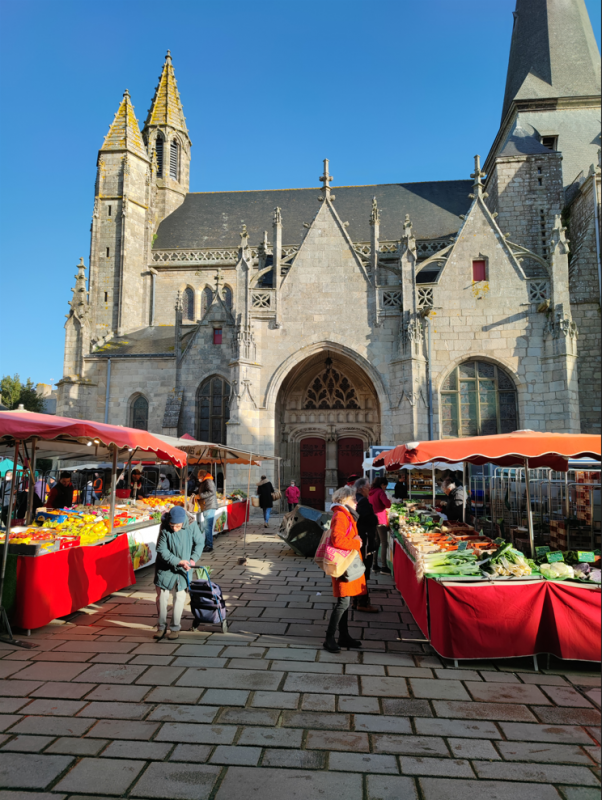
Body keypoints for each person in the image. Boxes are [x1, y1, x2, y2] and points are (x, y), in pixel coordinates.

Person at [323, 485, 366, 653]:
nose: (356, 502)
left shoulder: (345, 514)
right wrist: (357, 542)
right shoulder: (341, 515)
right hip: (343, 565)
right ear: (345, 500)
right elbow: (337, 540)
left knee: (345, 601)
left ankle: (344, 635)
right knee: (343, 602)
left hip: (346, 563)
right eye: (354, 499)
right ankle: (329, 638)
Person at [154, 505, 204, 640]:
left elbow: (199, 542)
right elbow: (161, 549)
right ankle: (161, 627)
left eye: (177, 526)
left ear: (183, 522)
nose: (174, 529)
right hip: (165, 566)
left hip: (184, 567)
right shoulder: (165, 526)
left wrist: (192, 560)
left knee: (180, 596)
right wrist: (177, 561)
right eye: (172, 526)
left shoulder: (192, 525)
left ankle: (175, 627)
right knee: (162, 597)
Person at [353, 477, 379, 613]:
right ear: (361, 488)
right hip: (364, 541)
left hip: (357, 540)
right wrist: (374, 518)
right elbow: (369, 520)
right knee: (363, 571)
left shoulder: (354, 500)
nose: (369, 490)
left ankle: (355, 599)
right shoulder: (363, 502)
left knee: (358, 570)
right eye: (368, 487)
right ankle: (362, 602)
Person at [369, 476, 392, 574]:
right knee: (384, 542)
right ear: (382, 485)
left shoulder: (371, 492)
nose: (385, 488)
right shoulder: (380, 492)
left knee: (376, 542)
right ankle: (384, 566)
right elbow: (387, 504)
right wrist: (389, 501)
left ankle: (374, 565)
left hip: (373, 519)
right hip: (381, 519)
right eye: (385, 486)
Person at [196, 472, 217, 552]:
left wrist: (200, 496)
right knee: (207, 526)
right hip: (207, 505)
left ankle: (209, 545)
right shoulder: (205, 481)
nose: (198, 477)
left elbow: (211, 492)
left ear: (202, 475)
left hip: (209, 505)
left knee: (208, 527)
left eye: (199, 476)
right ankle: (207, 543)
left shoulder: (208, 481)